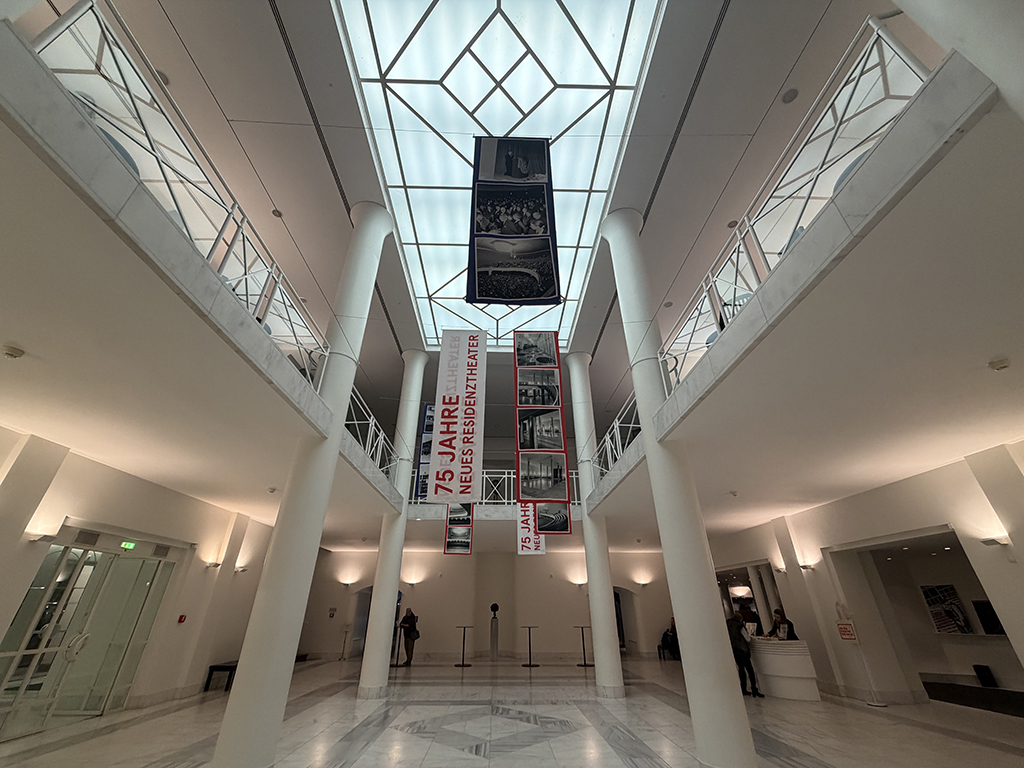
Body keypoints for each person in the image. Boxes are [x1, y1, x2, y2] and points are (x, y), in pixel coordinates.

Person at [727, 612, 764, 697]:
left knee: (741, 669)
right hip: (742, 650)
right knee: (750, 670)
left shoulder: (728, 624)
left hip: (734, 650)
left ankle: (743, 689)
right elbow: (747, 639)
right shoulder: (740, 626)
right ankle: (754, 689)